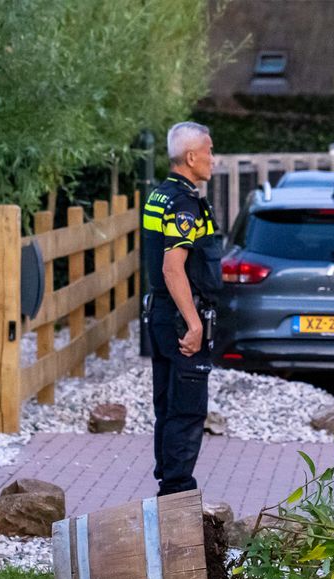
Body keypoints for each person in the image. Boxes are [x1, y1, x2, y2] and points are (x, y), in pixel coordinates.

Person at [141, 122, 221, 497]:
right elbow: (173, 268)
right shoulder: (184, 203)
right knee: (187, 409)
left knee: (168, 404)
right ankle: (176, 493)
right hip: (179, 317)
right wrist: (194, 324)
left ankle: (168, 484)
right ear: (191, 157)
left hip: (160, 312)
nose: (212, 159)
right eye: (208, 151)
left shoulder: (159, 195)